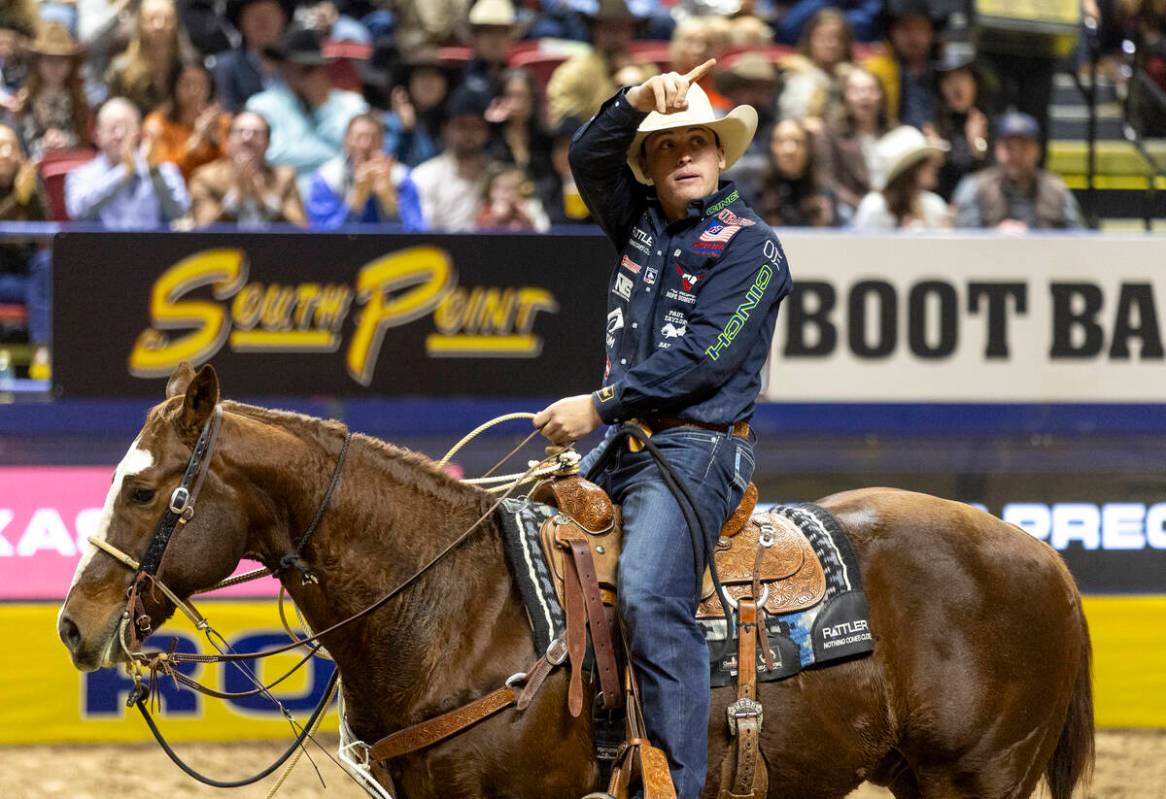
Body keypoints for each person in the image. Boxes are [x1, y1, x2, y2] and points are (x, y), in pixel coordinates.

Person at [533, 63, 793, 799]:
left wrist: (600, 404)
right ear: (646, 166)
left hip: (700, 445)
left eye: (697, 144)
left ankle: (673, 786)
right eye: (665, 146)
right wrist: (639, 99)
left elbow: (704, 358)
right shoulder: (639, 222)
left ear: (719, 157)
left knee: (647, 592)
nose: (684, 156)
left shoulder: (752, 246)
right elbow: (587, 154)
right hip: (626, 446)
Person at [246, 24, 368, 195]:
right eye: (295, 65)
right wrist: (336, 155)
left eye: (310, 68)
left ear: (323, 69)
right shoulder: (262, 106)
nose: (301, 75)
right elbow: (273, 155)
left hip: (340, 198)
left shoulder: (352, 104)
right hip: (283, 201)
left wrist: (322, 106)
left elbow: (360, 154)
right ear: (284, 66)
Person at [65, 97, 190, 227]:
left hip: (151, 246)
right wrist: (124, 173)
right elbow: (78, 212)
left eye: (126, 127)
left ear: (139, 133)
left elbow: (179, 213)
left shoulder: (162, 171)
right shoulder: (81, 175)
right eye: (112, 128)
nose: (119, 135)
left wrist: (154, 172)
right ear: (97, 135)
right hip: (101, 246)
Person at [952, 112, 1083, 231]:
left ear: (1037, 150)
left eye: (1024, 147)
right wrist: (994, 235)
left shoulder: (1056, 189)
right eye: (1009, 147)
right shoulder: (975, 187)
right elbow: (961, 239)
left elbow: (1078, 239)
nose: (1016, 154)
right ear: (997, 149)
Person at [188, 109, 305, 227]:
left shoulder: (284, 178)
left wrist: (265, 201)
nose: (247, 138)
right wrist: (234, 200)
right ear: (227, 141)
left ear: (268, 143)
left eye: (256, 133)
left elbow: (301, 231)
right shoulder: (206, 178)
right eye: (240, 131)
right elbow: (202, 230)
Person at [306, 112, 423, 229]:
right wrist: (356, 202)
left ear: (383, 142)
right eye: (358, 138)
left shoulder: (401, 177)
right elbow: (321, 237)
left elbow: (417, 234)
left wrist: (389, 199)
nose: (365, 145)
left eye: (373, 138)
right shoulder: (327, 178)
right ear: (346, 141)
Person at [0, 123, 51, 375]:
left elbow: (47, 228)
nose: (6, 153)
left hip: (25, 280)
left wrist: (31, 194)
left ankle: (42, 351)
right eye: (0, 146)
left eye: (12, 147)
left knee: (44, 262)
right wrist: (17, 199)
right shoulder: (20, 192)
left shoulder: (28, 183)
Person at [545, 0, 642, 129]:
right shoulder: (572, 72)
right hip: (589, 145)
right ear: (595, 31)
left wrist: (637, 85)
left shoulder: (646, 71)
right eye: (608, 29)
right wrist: (620, 92)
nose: (615, 37)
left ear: (631, 32)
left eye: (621, 29)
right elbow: (561, 122)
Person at [410, 85, 495, 231]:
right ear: (446, 129)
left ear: (487, 132)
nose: (469, 134)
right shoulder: (425, 176)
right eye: (462, 126)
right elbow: (420, 231)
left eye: (477, 126)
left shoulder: (499, 175)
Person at [814, 66, 889, 214]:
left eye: (870, 90)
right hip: (850, 209)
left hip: (891, 209)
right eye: (857, 91)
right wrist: (863, 207)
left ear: (881, 95)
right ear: (845, 97)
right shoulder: (831, 134)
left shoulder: (895, 132)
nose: (864, 96)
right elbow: (828, 182)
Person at [143, 59, 231, 180]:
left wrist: (214, 140)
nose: (194, 91)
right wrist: (197, 138)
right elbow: (164, 173)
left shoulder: (223, 122)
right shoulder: (158, 123)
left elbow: (230, 167)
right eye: (186, 84)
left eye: (201, 85)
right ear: (174, 87)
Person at [105, 0, 194, 114]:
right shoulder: (121, 71)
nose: (159, 26)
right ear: (140, 23)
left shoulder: (187, 67)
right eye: (151, 19)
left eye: (166, 19)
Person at [15, 22, 90, 157]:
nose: (55, 67)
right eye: (49, 60)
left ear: (71, 64)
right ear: (38, 62)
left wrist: (67, 141)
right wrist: (43, 144)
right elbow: (21, 144)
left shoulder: (80, 100)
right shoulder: (24, 101)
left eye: (62, 60)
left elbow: (86, 140)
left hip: (73, 166)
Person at [927, 43, 991, 202]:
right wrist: (935, 161)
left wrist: (978, 146)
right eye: (949, 79)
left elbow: (997, 181)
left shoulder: (991, 123)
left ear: (976, 83)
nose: (956, 86)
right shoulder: (934, 126)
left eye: (962, 77)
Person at [853, 124, 948, 230]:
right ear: (911, 170)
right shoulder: (875, 207)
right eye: (926, 163)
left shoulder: (934, 206)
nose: (934, 166)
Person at [862, 0, 938, 129]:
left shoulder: (944, 74)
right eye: (905, 28)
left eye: (920, 29)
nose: (913, 37)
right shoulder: (874, 73)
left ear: (931, 34)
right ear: (892, 33)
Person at [213, 0, 292, 112]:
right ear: (240, 23)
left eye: (270, 13)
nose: (264, 22)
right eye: (254, 15)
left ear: (283, 18)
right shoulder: (226, 67)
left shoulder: (298, 63)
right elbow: (228, 111)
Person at [778, 7, 854, 123]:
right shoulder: (793, 73)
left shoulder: (853, 77)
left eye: (838, 38)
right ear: (810, 40)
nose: (830, 44)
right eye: (823, 38)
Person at [758, 118, 837, 227]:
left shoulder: (823, 192)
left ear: (808, 148)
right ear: (772, 147)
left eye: (797, 141)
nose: (790, 150)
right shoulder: (757, 189)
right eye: (781, 141)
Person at [486, 68, 552, 180]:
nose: (517, 103)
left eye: (523, 96)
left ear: (533, 99)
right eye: (510, 96)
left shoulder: (545, 136)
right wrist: (489, 122)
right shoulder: (490, 135)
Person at [474, 163, 548, 230]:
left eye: (509, 188)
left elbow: (543, 229)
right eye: (497, 187)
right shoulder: (483, 208)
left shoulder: (530, 207)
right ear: (489, 191)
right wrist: (494, 218)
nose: (502, 193)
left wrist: (524, 217)